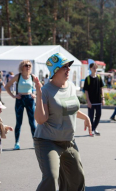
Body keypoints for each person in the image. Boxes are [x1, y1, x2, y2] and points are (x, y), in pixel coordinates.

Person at [34, 53, 92, 191]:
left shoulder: (71, 86)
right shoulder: (46, 90)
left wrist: (85, 117)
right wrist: (39, 94)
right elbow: (41, 119)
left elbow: (68, 108)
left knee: (77, 177)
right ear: (55, 71)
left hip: (68, 142)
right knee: (51, 177)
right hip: (48, 141)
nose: (68, 69)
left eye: (68, 66)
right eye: (64, 67)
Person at [5, 60, 36, 150]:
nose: (28, 67)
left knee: (32, 123)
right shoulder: (18, 76)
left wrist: (35, 94)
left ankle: (35, 142)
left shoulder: (32, 77)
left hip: (30, 100)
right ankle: (17, 143)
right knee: (19, 122)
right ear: (22, 66)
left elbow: (40, 87)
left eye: (30, 65)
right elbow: (7, 86)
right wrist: (13, 96)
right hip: (20, 99)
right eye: (26, 65)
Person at [83, 62, 105, 136]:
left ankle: (94, 128)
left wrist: (103, 98)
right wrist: (88, 101)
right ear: (90, 69)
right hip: (91, 102)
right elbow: (86, 91)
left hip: (98, 101)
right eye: (94, 68)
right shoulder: (88, 79)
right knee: (91, 117)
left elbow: (101, 88)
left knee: (98, 115)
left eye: (96, 67)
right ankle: (92, 130)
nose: (95, 69)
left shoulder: (99, 78)